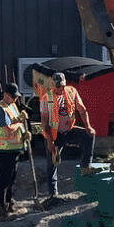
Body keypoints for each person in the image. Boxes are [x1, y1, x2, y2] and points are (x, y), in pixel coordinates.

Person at [39, 71, 95, 205]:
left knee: (89, 135)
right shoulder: (46, 99)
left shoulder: (71, 92)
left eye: (62, 86)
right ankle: (53, 194)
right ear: (53, 85)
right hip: (55, 134)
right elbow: (45, 123)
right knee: (52, 162)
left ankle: (85, 165)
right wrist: (50, 142)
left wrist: (88, 126)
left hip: (70, 129)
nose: (60, 89)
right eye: (58, 86)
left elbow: (82, 110)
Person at [0, 82, 30, 219]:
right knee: (4, 179)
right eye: (13, 96)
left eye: (16, 97)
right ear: (6, 95)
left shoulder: (12, 105)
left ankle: (9, 202)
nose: (15, 99)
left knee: (12, 178)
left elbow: (16, 125)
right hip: (5, 150)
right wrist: (20, 121)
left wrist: (25, 134)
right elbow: (8, 130)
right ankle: (1, 205)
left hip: (14, 149)